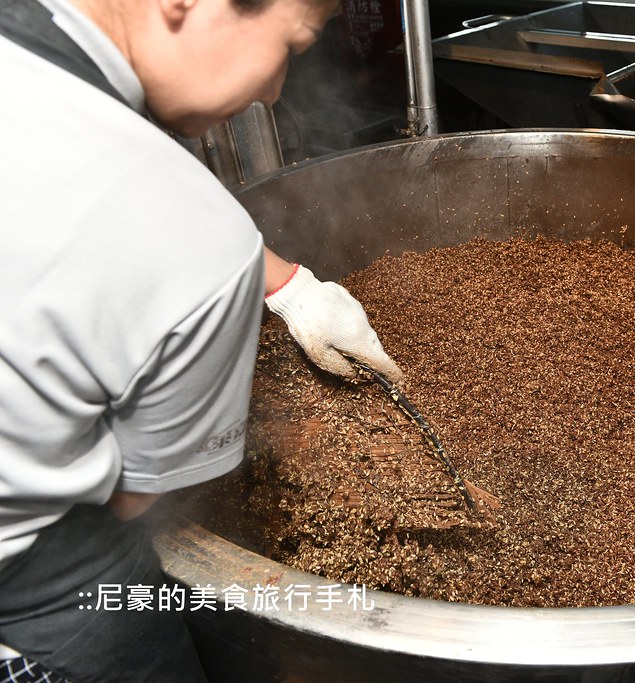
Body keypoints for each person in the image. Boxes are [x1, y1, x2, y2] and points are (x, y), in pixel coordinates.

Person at [0, 0, 403, 677]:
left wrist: (290, 287)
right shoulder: (198, 250)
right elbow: (133, 496)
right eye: (295, 45)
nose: (274, 92)